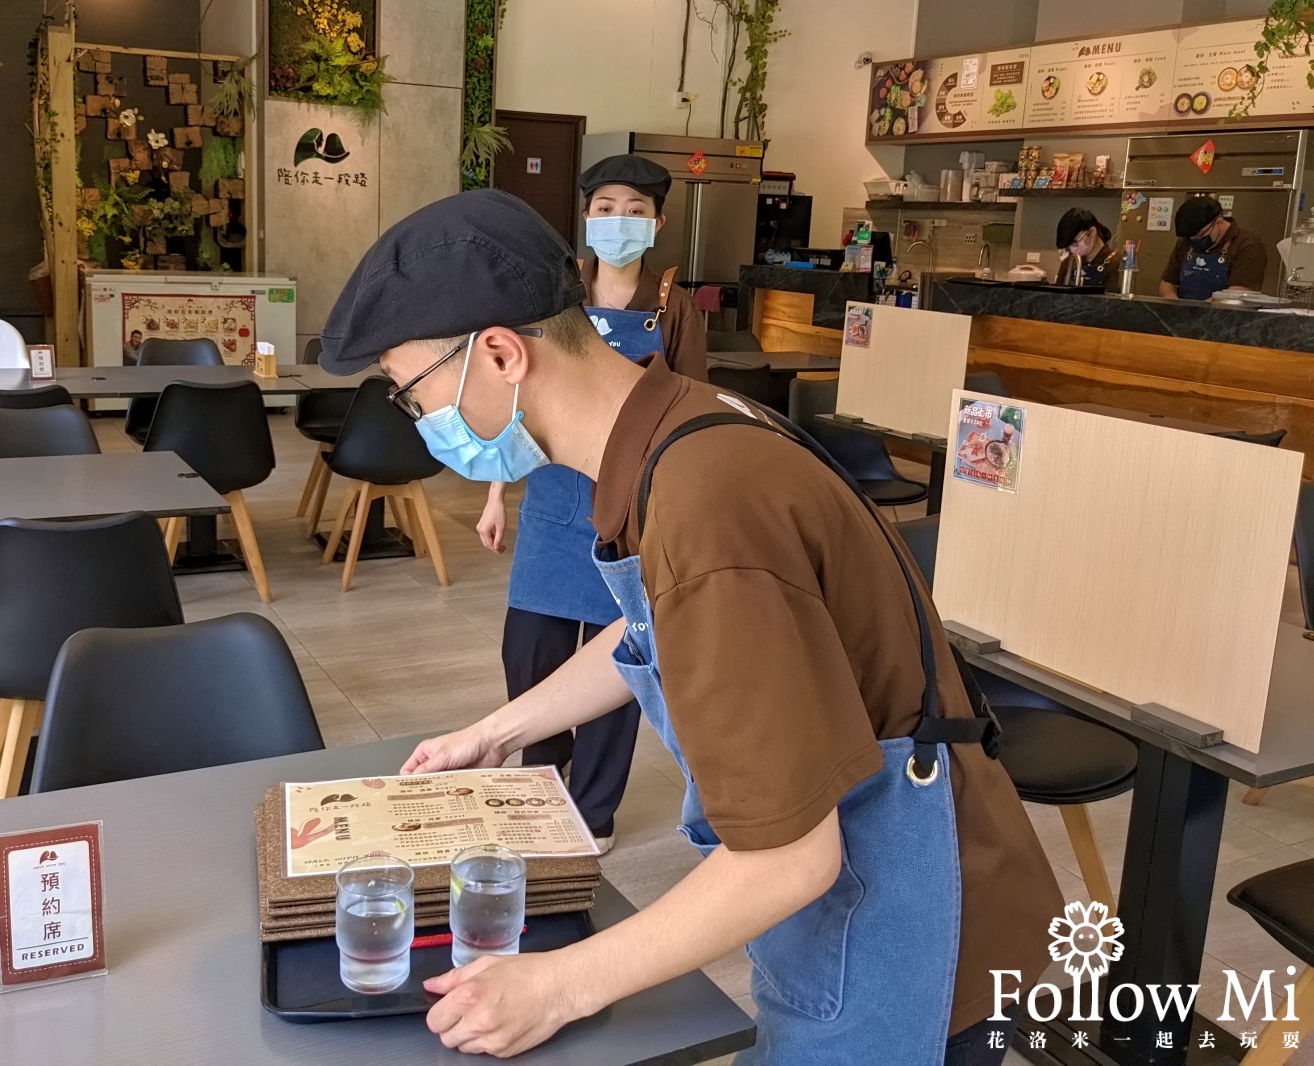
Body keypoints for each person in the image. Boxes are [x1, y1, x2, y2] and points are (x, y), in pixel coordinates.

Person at [317, 189, 1061, 1064]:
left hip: (925, 942)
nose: (422, 419)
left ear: (500, 355)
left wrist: (556, 985)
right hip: (888, 893)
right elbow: (657, 624)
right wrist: (495, 731)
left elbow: (788, 858)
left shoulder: (703, 501)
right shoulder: (682, 428)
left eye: (415, 392)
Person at [476, 155, 708, 855]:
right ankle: (543, 779)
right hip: (550, 498)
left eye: (635, 210)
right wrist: (494, 494)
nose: (618, 222)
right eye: (605, 207)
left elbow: (689, 409)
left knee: (620, 666)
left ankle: (595, 809)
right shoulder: (554, 299)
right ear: (586, 218)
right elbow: (515, 399)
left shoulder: (674, 310)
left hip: (630, 503)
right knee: (530, 655)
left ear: (659, 223)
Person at [1159, 196, 1268, 300]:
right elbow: (1168, 282)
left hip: (1224, 317)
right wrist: (1172, 300)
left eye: (1199, 236)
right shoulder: (1185, 242)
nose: (1193, 241)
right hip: (1185, 315)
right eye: (1190, 238)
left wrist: (1203, 312)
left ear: (1219, 223)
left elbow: (1238, 292)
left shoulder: (1248, 246)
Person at [1054, 208, 1120, 290]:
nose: (1072, 249)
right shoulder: (1068, 263)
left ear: (1092, 232)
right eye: (1069, 245)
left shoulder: (1115, 264)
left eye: (1075, 242)